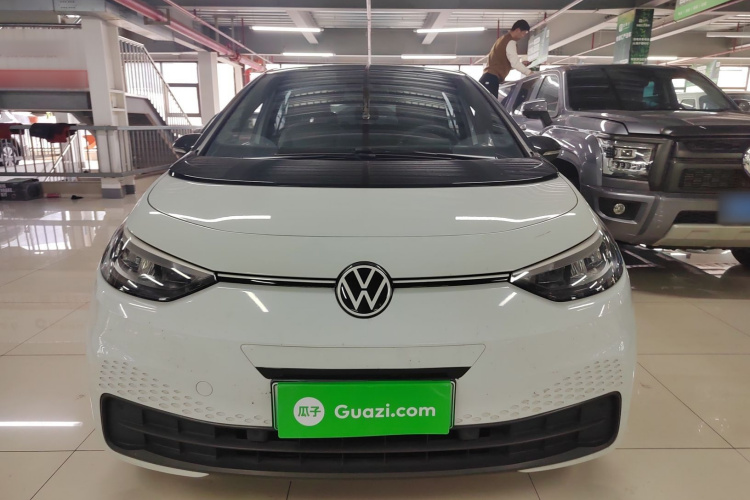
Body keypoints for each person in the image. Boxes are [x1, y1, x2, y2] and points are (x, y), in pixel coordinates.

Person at [479, 20, 533, 98]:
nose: (523, 36)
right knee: (490, 105)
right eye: (524, 33)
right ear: (518, 30)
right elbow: (515, 63)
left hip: (487, 78)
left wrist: (521, 64)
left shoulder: (502, 39)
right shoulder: (510, 42)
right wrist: (530, 73)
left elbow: (503, 63)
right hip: (491, 79)